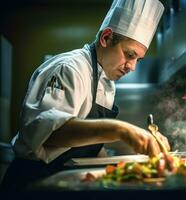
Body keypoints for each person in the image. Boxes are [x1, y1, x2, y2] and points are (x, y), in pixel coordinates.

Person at [1, 0, 168, 191]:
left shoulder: (107, 82)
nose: (132, 67)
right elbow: (48, 133)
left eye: (138, 59)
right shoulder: (69, 69)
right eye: (129, 55)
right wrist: (122, 130)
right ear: (106, 38)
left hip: (66, 180)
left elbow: (87, 145)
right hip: (35, 183)